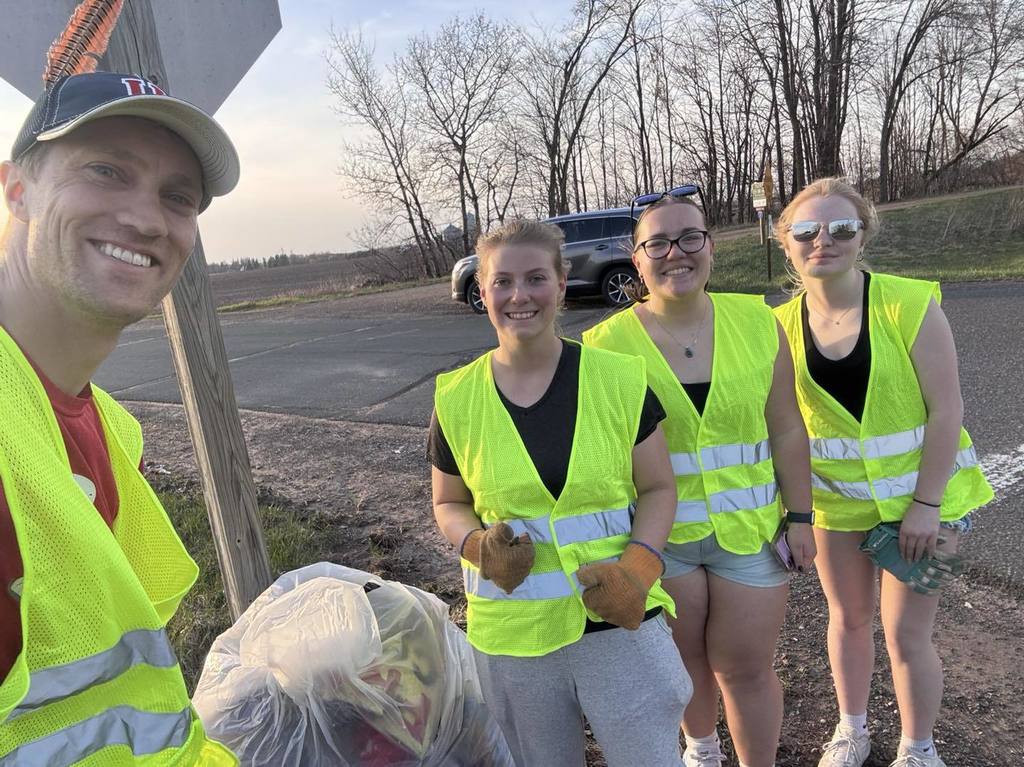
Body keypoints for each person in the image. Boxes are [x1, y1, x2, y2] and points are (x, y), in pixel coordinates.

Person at [0, 71, 241, 764]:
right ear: (17, 189)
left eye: (178, 197)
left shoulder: (107, 428)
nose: (145, 218)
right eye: (106, 170)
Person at [428, 219, 692, 767]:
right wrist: (477, 546)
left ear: (562, 283)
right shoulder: (455, 399)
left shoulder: (619, 379)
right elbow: (448, 503)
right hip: (515, 636)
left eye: (535, 278)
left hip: (618, 623)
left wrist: (637, 572)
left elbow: (659, 487)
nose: (519, 296)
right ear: (482, 290)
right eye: (502, 282)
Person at [583, 191, 817, 767]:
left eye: (690, 237)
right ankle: (703, 750)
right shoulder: (603, 346)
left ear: (710, 246)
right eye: (656, 243)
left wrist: (803, 516)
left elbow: (786, 428)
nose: (675, 253)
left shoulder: (757, 322)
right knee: (685, 664)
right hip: (662, 545)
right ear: (636, 260)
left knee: (746, 668)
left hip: (752, 533)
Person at [772, 177, 993, 767]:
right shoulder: (777, 326)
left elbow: (948, 410)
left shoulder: (909, 303)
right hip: (836, 507)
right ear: (785, 241)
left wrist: (926, 505)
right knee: (846, 621)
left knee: (908, 635)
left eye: (843, 228)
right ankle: (852, 730)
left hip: (930, 507)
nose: (825, 240)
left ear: (863, 233)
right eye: (807, 230)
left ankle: (918, 748)